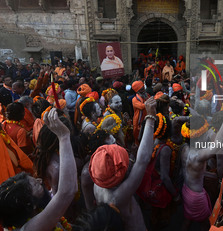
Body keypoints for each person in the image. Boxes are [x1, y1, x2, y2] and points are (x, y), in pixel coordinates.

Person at [0, 108, 77, 231]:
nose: (41, 181)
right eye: (36, 185)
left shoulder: (34, 214)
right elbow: (67, 192)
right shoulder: (28, 229)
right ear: (30, 205)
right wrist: (63, 136)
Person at [89, 97, 157, 231]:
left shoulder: (98, 183)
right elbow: (142, 160)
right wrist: (150, 118)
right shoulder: (118, 196)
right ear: (118, 172)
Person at [132, 80, 148, 144]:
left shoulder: (146, 95)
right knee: (139, 137)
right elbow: (142, 106)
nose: (144, 90)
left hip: (146, 118)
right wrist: (149, 102)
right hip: (138, 121)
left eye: (143, 88)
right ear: (138, 90)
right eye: (142, 89)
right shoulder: (135, 99)